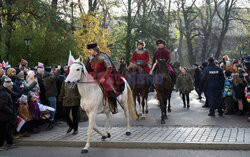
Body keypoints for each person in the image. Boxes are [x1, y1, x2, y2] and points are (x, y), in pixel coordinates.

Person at [86, 42, 123, 114]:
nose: (89, 52)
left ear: (94, 50)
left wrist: (104, 77)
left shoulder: (103, 56)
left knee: (109, 89)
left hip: (106, 75)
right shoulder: (90, 58)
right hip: (95, 76)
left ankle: (114, 106)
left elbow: (109, 68)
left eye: (90, 50)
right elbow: (88, 69)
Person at [0, 77, 17, 150]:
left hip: (5, 116)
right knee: (2, 131)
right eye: (11, 86)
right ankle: (0, 145)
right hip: (3, 116)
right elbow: (2, 105)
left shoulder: (5, 91)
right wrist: (10, 111)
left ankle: (9, 143)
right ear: (8, 86)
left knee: (7, 130)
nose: (12, 87)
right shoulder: (4, 93)